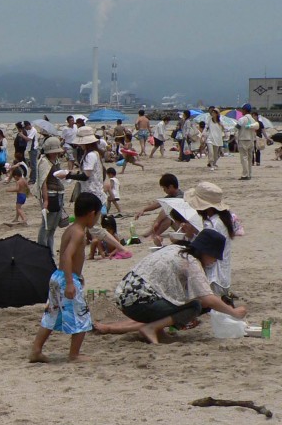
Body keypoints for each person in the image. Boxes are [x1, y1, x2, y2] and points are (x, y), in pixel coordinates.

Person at [94, 230, 248, 343]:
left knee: (169, 303)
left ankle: (152, 330)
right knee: (195, 306)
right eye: (214, 257)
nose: (214, 261)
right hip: (140, 301)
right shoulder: (191, 261)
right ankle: (152, 329)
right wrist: (233, 312)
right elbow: (207, 299)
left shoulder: (175, 249)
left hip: (125, 296)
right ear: (206, 252)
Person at [29, 192, 102, 363]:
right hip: (65, 280)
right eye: (97, 215)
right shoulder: (78, 233)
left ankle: (36, 350)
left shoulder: (71, 229)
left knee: (51, 315)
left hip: (58, 277)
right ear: (92, 213)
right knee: (82, 315)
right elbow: (67, 256)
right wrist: (70, 282)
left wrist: (76, 275)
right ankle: (74, 354)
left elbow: (70, 257)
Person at [180, 181, 235, 300]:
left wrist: (190, 236)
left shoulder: (212, 224)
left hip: (213, 280)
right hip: (223, 278)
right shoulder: (224, 219)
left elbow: (204, 253)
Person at [35, 136, 67, 259]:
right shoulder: (44, 162)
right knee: (46, 226)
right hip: (51, 195)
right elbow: (42, 182)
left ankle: (50, 252)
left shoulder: (55, 161)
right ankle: (43, 252)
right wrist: (46, 200)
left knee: (52, 227)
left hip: (58, 194)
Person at [134, 173, 181, 246]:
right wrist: (144, 209)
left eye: (164, 188)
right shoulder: (172, 196)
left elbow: (167, 210)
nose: (164, 190)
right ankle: (150, 233)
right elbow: (158, 204)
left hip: (184, 227)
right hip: (180, 225)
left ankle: (153, 235)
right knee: (167, 214)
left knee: (169, 216)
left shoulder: (180, 197)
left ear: (170, 187)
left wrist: (157, 222)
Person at [235, 104, 257, 179]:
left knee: (244, 158)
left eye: (242, 110)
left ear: (244, 110)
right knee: (250, 158)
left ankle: (245, 174)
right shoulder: (253, 120)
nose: (241, 111)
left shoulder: (242, 119)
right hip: (251, 140)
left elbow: (237, 128)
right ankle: (249, 174)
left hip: (243, 139)